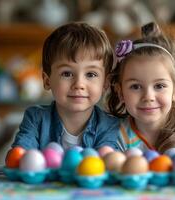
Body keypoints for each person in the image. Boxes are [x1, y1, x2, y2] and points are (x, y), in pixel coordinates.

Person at [11, 22, 120, 151]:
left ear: (105, 83)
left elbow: (108, 161)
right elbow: (19, 155)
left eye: (91, 74)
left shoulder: (109, 125)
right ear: (47, 81)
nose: (79, 84)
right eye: (67, 73)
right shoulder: (35, 119)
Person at [106, 22, 175, 153]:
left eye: (159, 86)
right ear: (120, 92)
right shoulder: (115, 134)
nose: (148, 97)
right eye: (135, 86)